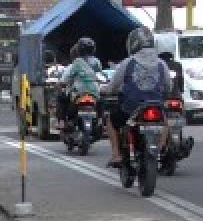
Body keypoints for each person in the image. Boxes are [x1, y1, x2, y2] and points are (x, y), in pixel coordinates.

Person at [105, 27, 172, 166]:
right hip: (156, 105)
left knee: (111, 120)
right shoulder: (161, 63)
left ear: (133, 44)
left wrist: (107, 91)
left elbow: (112, 86)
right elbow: (168, 86)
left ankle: (116, 154)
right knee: (165, 122)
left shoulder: (128, 62)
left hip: (132, 107)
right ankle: (161, 148)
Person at [61, 36, 104, 130]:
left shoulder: (76, 62)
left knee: (67, 102)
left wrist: (63, 83)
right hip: (94, 91)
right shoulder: (96, 61)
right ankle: (100, 120)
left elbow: (68, 78)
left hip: (79, 91)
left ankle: (67, 121)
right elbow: (100, 74)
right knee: (100, 102)